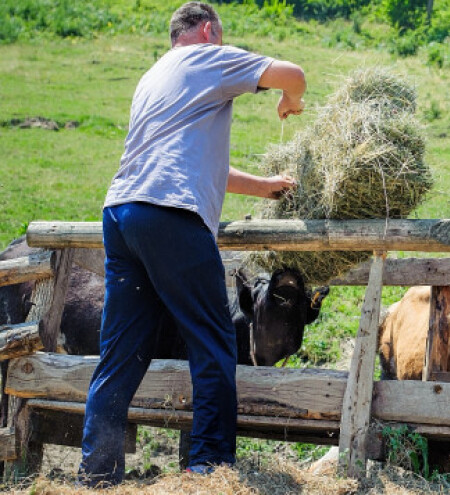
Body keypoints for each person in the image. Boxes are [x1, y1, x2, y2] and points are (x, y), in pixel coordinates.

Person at [78, 1, 306, 486]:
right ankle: (208, 467)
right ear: (207, 31)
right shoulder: (208, 57)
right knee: (213, 339)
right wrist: (291, 100)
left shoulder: (154, 77)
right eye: (220, 36)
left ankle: (97, 471)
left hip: (122, 213)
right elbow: (294, 74)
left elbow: (198, 165)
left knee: (121, 351)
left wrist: (264, 187)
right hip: (172, 217)